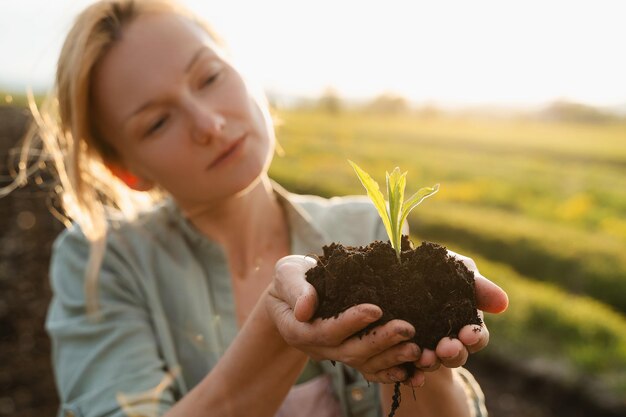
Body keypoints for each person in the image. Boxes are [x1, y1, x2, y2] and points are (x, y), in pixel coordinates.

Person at [13, 1, 508, 416]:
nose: (208, 123)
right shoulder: (103, 261)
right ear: (128, 171)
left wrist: (425, 352)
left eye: (209, 76)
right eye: (158, 122)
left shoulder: (364, 226)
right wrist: (277, 329)